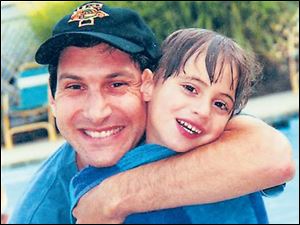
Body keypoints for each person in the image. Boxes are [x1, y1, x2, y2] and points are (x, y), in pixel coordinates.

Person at [8, 2, 294, 224]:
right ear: (53, 99)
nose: (97, 112)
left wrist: (113, 197)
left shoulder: (196, 131)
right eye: (75, 86)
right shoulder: (39, 211)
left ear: (148, 85)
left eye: (117, 84)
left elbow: (273, 157)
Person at [70, 27, 271, 224]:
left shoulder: (234, 158)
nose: (202, 110)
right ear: (148, 84)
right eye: (190, 88)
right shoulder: (95, 185)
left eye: (220, 104)